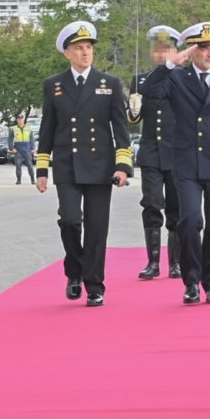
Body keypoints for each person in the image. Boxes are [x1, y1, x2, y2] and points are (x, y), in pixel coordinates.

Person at [139, 22, 210, 305]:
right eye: (203, 47)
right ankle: (191, 281)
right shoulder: (178, 77)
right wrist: (170, 64)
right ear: (192, 50)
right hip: (187, 162)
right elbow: (149, 91)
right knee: (190, 220)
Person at [34, 21, 132, 307]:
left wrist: (122, 166)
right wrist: (42, 169)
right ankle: (74, 270)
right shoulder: (54, 85)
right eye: (79, 48)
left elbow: (121, 130)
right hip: (67, 165)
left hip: (101, 166)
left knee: (97, 228)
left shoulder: (109, 84)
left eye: (89, 47)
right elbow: (47, 129)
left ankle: (95, 285)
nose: (85, 53)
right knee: (69, 220)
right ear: (67, 53)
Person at [128, 25, 182, 281]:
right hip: (150, 151)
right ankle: (153, 262)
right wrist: (134, 109)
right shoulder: (140, 80)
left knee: (176, 208)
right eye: (158, 49)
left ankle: (176, 263)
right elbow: (132, 118)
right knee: (151, 205)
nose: (161, 54)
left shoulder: (183, 78)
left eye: (166, 49)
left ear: (175, 50)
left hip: (176, 153)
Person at [8, 112, 35, 185]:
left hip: (27, 149)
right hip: (18, 149)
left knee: (30, 165)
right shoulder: (13, 129)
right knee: (18, 165)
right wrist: (11, 148)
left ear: (23, 119)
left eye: (21, 119)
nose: (20, 120)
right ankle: (19, 180)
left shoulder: (28, 128)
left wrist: (33, 148)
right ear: (17, 120)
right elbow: (10, 139)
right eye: (18, 119)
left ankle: (32, 179)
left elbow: (32, 139)